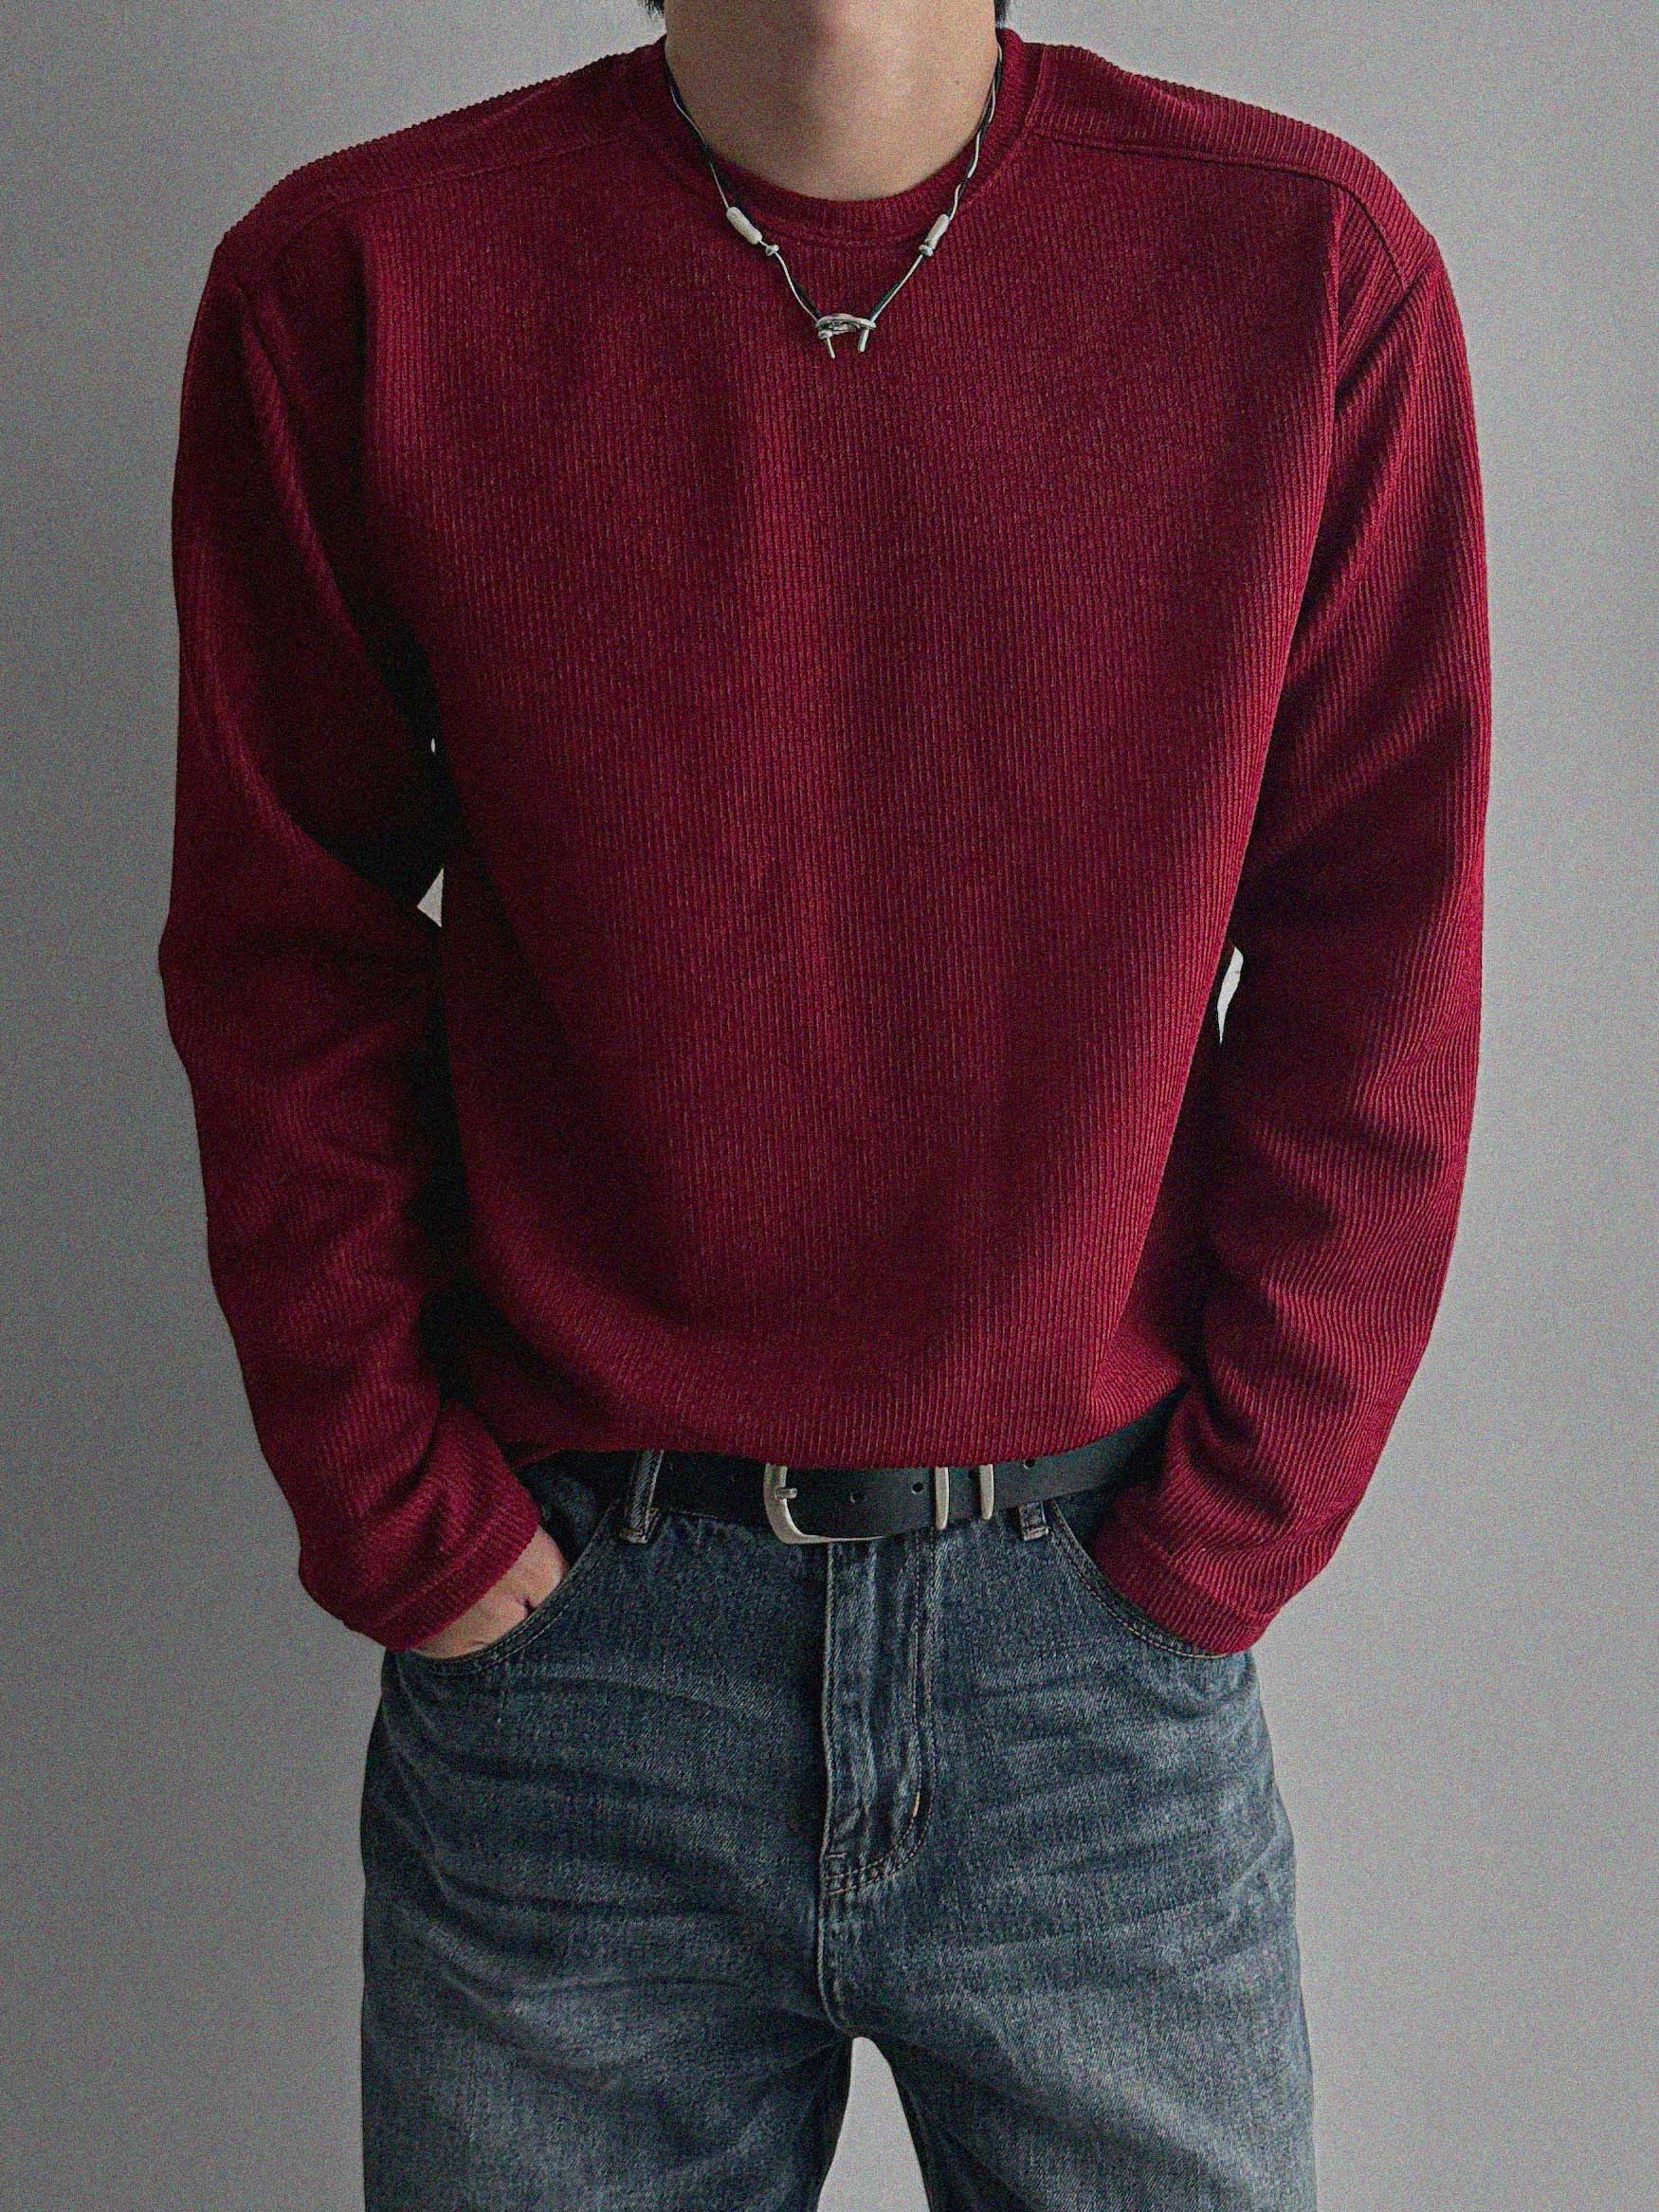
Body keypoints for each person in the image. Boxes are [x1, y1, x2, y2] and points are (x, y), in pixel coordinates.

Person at [156, 0, 1490, 2203]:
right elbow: (282, 946)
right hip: (576, 1654)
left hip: (1090, 1640)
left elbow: (1378, 941)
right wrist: (400, 1506)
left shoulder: (1299, 270)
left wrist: (1232, 1521)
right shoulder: (359, 285)